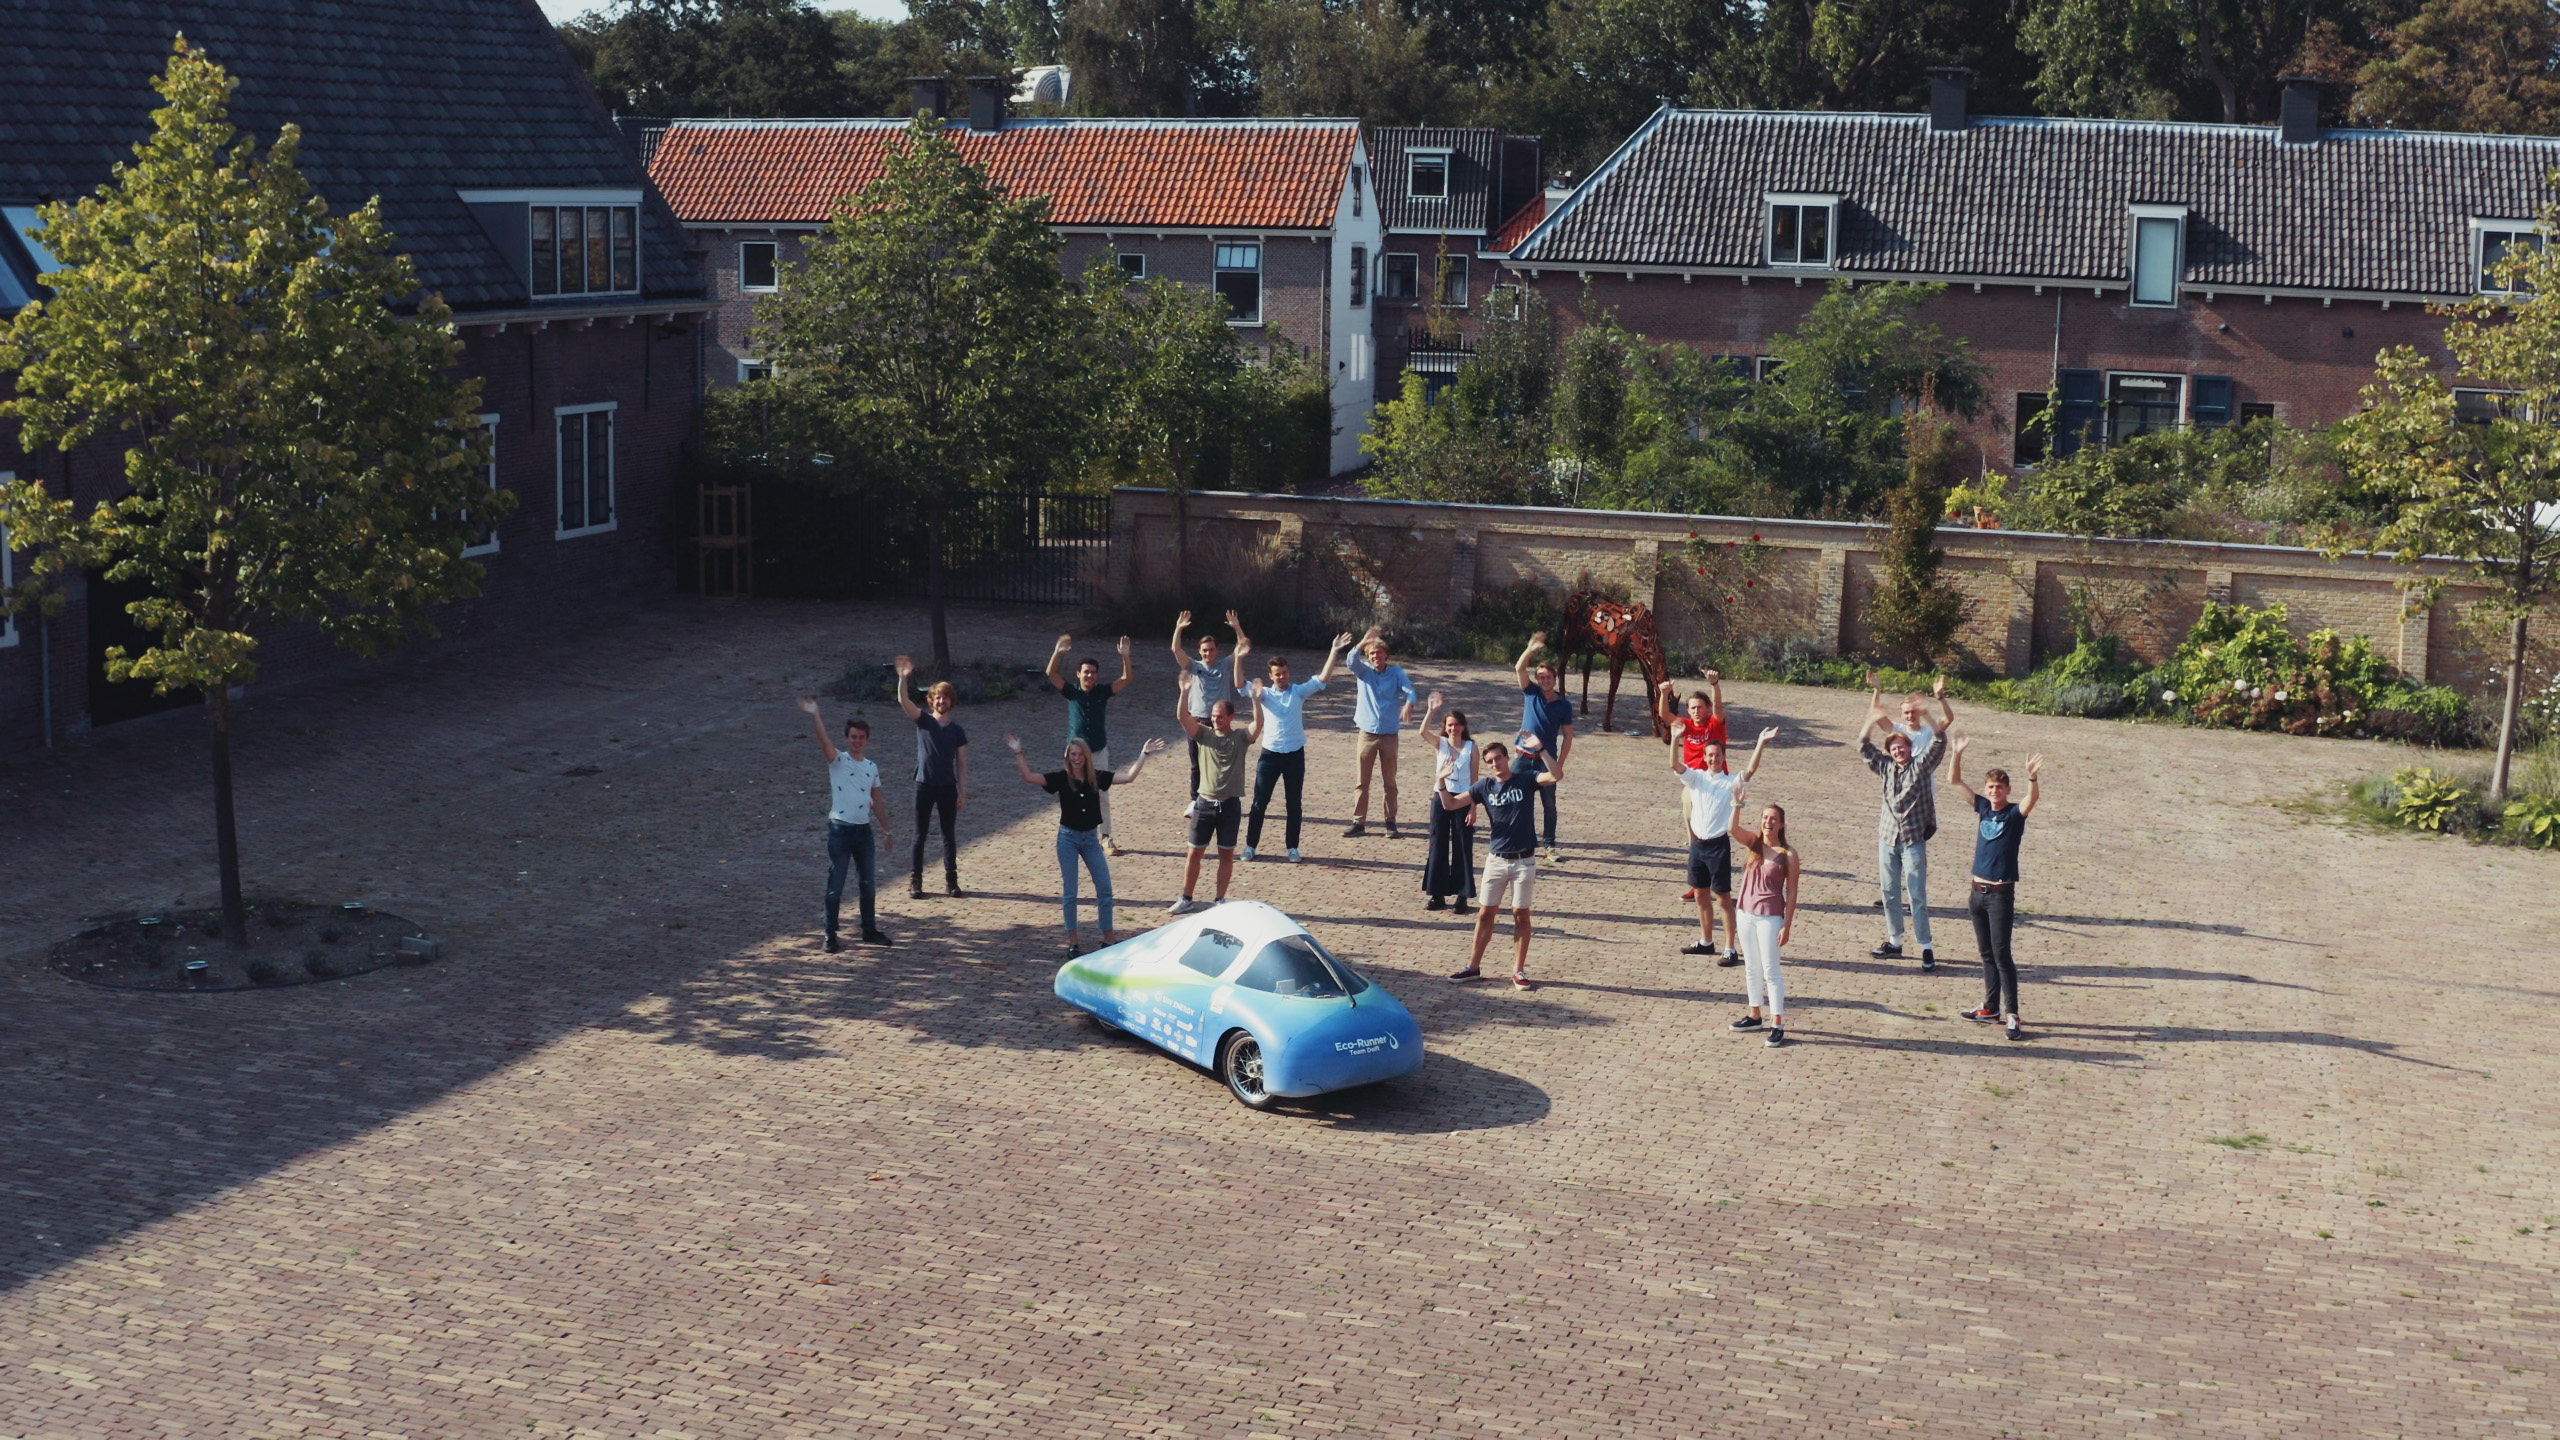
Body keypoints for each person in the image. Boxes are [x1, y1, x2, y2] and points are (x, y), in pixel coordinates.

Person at [1003, 731, 1166, 954]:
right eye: (1073, 754)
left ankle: (1108, 939)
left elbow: (1128, 777)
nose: (1077, 758)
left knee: (1105, 889)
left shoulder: (1096, 777)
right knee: (1071, 893)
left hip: (1090, 839)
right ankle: (1073, 943)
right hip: (1068, 838)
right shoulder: (1061, 778)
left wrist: (1144, 754)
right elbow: (1030, 777)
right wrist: (1018, 752)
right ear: (1068, 756)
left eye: (1080, 754)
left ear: (1086, 757)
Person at [1946, 740, 2045, 1042]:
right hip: (1977, 893)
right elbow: (1954, 781)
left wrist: (2032, 777)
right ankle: (1990, 1008)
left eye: (1999, 787)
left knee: (2002, 955)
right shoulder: (1982, 808)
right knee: (1986, 953)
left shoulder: (2014, 815)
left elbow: (2032, 800)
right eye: (1990, 787)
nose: (1993, 792)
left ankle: (2012, 1014)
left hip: (2001, 895)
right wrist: (1957, 753)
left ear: (2007, 790)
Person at [1440, 739, 1558, 990]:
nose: (1495, 764)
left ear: (1507, 758)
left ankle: (1518, 970)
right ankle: (1473, 967)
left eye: (1498, 758)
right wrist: (1440, 781)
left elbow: (1556, 775)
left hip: (1524, 861)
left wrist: (1542, 750)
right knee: (1485, 914)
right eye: (1490, 761)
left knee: (1520, 914)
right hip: (1496, 860)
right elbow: (1450, 804)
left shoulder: (1525, 779)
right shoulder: (1485, 786)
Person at [1858, 686, 1952, 969]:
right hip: (1887, 838)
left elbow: (1939, 741)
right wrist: (1869, 720)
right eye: (1894, 748)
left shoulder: (1921, 767)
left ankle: (1926, 946)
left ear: (1911, 749)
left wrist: (1929, 713)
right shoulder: (1885, 767)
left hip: (1912, 839)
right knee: (1889, 891)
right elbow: (1863, 747)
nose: (1899, 751)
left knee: (1916, 894)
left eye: (1903, 747)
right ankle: (1895, 941)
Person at [1242, 629, 1353, 862]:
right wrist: (1238, 657)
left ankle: (1293, 847)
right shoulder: (1264, 695)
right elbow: (1239, 684)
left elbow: (1322, 679)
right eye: (1277, 674)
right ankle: (1251, 846)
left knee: (1294, 804)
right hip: (1270, 756)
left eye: (1284, 673)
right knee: (1259, 803)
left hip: (1294, 755)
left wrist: (1333, 651)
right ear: (1270, 676)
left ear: (1288, 672)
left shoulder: (1298, 692)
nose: (1282, 677)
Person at [1670, 723, 1778, 963]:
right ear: (1705, 757)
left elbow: (1750, 771)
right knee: (1700, 895)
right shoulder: (1696, 778)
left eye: (1717, 755)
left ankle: (1730, 948)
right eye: (1709, 755)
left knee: (1723, 898)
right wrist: (1676, 738)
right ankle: (1706, 941)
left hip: (1718, 846)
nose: (1713, 759)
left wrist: (1761, 742)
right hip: (1697, 845)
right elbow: (1675, 765)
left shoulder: (1730, 783)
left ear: (1723, 757)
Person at [798, 697, 896, 951]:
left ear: (867, 740)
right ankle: (830, 934)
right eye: (853, 736)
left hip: (864, 831)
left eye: (861, 737)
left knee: (868, 884)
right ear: (847, 739)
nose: (857, 741)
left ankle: (869, 929)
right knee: (836, 886)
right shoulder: (838, 760)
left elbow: (878, 799)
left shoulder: (872, 767)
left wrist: (887, 829)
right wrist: (815, 714)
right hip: (841, 830)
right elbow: (824, 742)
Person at [1170, 670, 1264, 914]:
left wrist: (1255, 700)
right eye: (1213, 716)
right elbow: (1182, 716)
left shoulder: (1241, 738)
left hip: (1229, 806)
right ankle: (1186, 897)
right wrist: (1185, 692)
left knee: (1226, 854)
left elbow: (1258, 725)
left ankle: (1220, 899)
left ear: (1231, 717)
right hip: (1204, 804)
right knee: (1194, 853)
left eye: (1220, 717)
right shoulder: (1203, 734)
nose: (1216, 720)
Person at [1045, 633, 1136, 855]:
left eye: (1093, 672)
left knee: (1102, 793)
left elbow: (1126, 679)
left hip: (1098, 750)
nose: (1090, 675)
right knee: (1071, 790)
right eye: (1086, 672)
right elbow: (1051, 673)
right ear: (1078, 674)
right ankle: (1071, 833)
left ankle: (1106, 837)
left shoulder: (1102, 692)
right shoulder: (1072, 692)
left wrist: (1125, 656)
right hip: (1075, 752)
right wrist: (1058, 652)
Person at [1727, 803, 1802, 1047]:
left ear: (1781, 824)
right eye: (1765, 817)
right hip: (1746, 914)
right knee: (1751, 967)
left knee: (1771, 970)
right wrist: (1737, 804)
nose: (1768, 822)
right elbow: (1732, 829)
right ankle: (1754, 1015)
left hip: (1770, 916)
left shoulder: (1788, 855)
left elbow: (1791, 893)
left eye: (1773, 818)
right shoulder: (1755, 844)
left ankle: (1777, 1022)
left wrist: (1787, 925)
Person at [893, 656, 969, 899]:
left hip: (948, 787)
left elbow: (963, 763)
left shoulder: (957, 731)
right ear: (932, 700)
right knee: (920, 835)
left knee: (949, 835)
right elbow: (903, 700)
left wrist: (963, 792)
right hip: (923, 784)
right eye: (937, 696)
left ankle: (952, 881)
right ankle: (916, 881)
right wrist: (903, 678)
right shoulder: (923, 721)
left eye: (945, 697)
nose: (941, 700)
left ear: (951, 702)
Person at [1662, 672, 1730, 909]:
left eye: (1700, 707)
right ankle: (1699, 883)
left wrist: (1714, 684)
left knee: (1715, 834)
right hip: (1693, 785)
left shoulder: (1715, 724)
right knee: (1695, 833)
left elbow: (1720, 707)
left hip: (1715, 787)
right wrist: (1664, 693)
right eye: (1692, 708)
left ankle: (1716, 883)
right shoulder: (1687, 726)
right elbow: (1664, 715)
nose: (1695, 712)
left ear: (1707, 708)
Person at [1343, 626, 1418, 839]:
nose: (1376, 656)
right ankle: (1359, 822)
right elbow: (1350, 661)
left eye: (1379, 653)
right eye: (1372, 654)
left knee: (1390, 782)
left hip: (1389, 735)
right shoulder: (1363, 672)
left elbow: (1410, 690)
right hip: (1367, 734)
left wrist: (1409, 703)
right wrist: (1363, 642)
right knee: (1362, 781)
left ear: (1386, 654)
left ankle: (1390, 821)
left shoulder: (1396, 673)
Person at [1171, 609, 1246, 799]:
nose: (1208, 653)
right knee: (1196, 764)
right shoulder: (1194, 666)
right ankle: (1196, 800)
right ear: (1199, 651)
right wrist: (1179, 629)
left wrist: (1237, 627)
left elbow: (1242, 646)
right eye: (1204, 650)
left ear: (1217, 650)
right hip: (1198, 721)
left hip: (1220, 722)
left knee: (1221, 761)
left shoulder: (1225, 665)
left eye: (1211, 650)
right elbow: (1176, 650)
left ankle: (1221, 795)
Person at [1515, 632, 1576, 862]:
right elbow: (1519, 668)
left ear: (1555, 679)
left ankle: (1549, 845)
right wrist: (1531, 649)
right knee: (1519, 800)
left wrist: (1559, 765)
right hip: (1523, 756)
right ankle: (1523, 841)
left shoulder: (1564, 705)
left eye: (1548, 677)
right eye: (1540, 677)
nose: (1544, 681)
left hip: (1546, 761)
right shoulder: (1531, 693)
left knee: (1549, 805)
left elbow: (1568, 736)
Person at [1415, 693, 1477, 913]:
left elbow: (1475, 780)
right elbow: (1422, 732)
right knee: (1438, 843)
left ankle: (1462, 895)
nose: (1454, 729)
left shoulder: (1471, 747)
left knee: (1462, 844)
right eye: (1450, 725)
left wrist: (1473, 807)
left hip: (1462, 799)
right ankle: (1437, 893)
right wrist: (1432, 710)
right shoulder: (1440, 744)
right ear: (1445, 727)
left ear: (1463, 727)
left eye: (1457, 725)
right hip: (1441, 797)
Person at [1869, 669, 1955, 762]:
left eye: (1913, 712)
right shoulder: (1896, 729)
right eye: (1906, 712)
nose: (1910, 715)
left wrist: (1940, 697)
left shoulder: (1929, 731)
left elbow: (1948, 719)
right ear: (1901, 714)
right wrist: (1876, 690)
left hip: (1922, 774)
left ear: (1920, 712)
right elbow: (1875, 714)